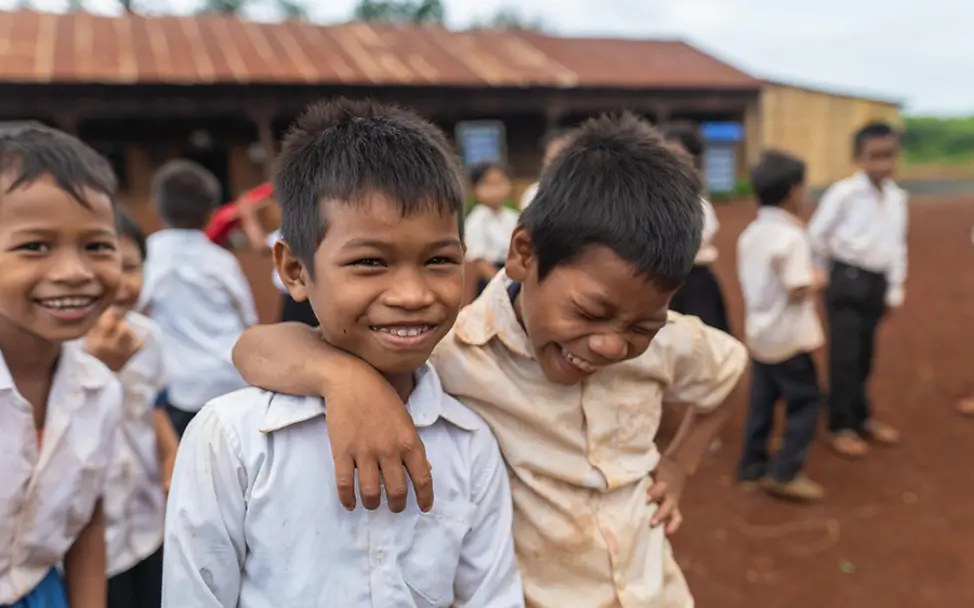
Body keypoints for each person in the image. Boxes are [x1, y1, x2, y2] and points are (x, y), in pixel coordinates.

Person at [231, 113, 749, 607]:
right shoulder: (453, 347)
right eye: (590, 312)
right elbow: (254, 348)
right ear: (522, 253)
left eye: (641, 326)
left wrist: (679, 465)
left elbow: (729, 370)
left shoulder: (671, 340)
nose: (612, 346)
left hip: (655, 593)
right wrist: (341, 376)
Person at [162, 99, 523, 608]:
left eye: (440, 260)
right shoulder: (235, 439)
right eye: (371, 261)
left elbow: (490, 598)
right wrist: (345, 380)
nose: (412, 294)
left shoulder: (470, 445)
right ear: (294, 270)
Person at [0, 125, 123, 608]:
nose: (74, 271)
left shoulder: (100, 390)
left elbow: (87, 519)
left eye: (97, 245)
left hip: (39, 591)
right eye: (35, 246)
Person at [84, 210, 178, 608]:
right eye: (107, 265)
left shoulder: (148, 337)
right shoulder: (59, 349)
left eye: (133, 267)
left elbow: (152, 408)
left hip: (147, 527)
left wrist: (172, 456)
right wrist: (98, 369)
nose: (123, 284)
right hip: (89, 546)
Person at [808, 122, 908, 458]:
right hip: (847, 279)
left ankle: (861, 416)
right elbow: (817, 235)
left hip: (876, 282)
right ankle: (841, 426)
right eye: (875, 156)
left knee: (865, 354)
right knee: (845, 356)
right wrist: (821, 272)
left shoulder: (897, 198)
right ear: (858, 158)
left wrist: (894, 289)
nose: (884, 164)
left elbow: (897, 245)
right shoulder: (844, 194)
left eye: (890, 155)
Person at [139, 160, 258, 437]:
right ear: (211, 213)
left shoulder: (150, 256)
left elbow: (137, 307)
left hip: (180, 388)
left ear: (156, 209)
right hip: (231, 381)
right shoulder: (222, 261)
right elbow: (248, 318)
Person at [737, 151, 826, 502]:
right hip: (788, 337)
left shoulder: (752, 233)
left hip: (759, 333)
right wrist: (819, 279)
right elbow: (797, 286)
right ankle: (784, 471)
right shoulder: (791, 238)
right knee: (808, 401)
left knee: (762, 402)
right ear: (793, 191)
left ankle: (751, 467)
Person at [662, 123, 731, 335]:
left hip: (695, 283)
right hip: (664, 283)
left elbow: (699, 238)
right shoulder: (655, 198)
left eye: (677, 153)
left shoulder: (698, 202)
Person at [464, 162, 518, 296]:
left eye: (500, 183)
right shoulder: (475, 221)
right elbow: (478, 261)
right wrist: (503, 283)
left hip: (512, 272)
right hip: (489, 280)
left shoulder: (512, 216)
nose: (495, 190)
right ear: (475, 188)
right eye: (488, 184)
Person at [519, 128, 572, 210]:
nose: (557, 165)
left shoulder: (585, 192)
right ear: (544, 161)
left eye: (562, 159)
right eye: (552, 159)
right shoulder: (533, 193)